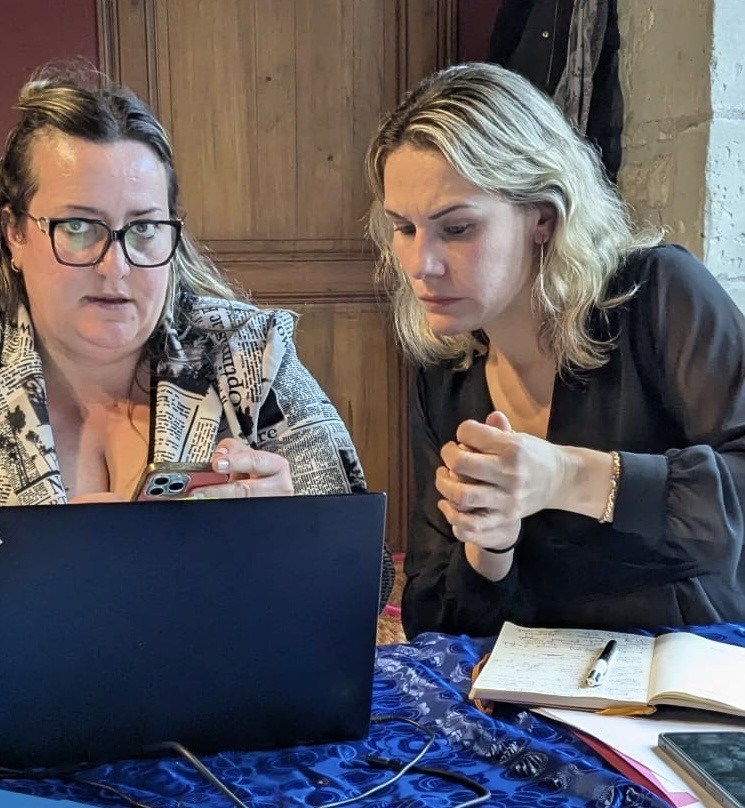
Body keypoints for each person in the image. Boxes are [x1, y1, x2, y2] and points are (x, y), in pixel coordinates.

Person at [365, 62, 745, 639]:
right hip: (535, 680)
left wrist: (569, 476)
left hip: (689, 668)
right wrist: (489, 549)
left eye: (457, 228)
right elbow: (433, 618)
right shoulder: (445, 368)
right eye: (405, 228)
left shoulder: (658, 293)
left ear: (542, 217)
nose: (421, 265)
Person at [0, 65, 393, 604]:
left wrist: (295, 536)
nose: (116, 267)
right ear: (15, 234)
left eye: (143, 228)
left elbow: (368, 582)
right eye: (78, 227)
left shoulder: (250, 353)